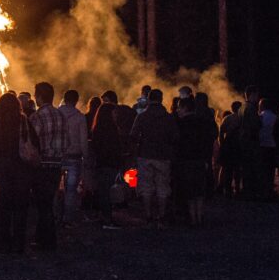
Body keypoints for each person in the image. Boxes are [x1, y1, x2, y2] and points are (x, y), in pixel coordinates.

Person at [0, 93, 33, 253]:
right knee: (20, 206)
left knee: (4, 204)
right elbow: (34, 144)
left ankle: (3, 242)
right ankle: (19, 242)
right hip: (21, 169)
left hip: (2, 168)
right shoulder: (24, 123)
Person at [130, 89, 179, 228]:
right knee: (162, 187)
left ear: (149, 99)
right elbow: (175, 137)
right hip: (163, 156)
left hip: (145, 155)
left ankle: (148, 216)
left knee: (146, 187)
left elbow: (133, 135)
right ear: (162, 99)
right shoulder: (168, 118)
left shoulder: (142, 116)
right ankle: (161, 217)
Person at [29, 82, 67, 250]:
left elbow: (32, 142)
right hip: (56, 164)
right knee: (48, 201)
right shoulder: (61, 116)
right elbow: (67, 142)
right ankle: (43, 237)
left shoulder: (37, 117)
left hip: (41, 166)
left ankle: (47, 241)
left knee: (42, 204)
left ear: (39, 96)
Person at [174, 98, 216, 226]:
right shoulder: (203, 123)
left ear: (185, 108)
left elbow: (176, 142)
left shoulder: (180, 124)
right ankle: (199, 216)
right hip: (200, 160)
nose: (177, 110)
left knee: (189, 191)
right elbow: (208, 141)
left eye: (179, 108)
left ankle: (193, 218)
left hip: (185, 160)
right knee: (199, 190)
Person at [91, 91, 124, 229]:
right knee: (107, 192)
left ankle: (103, 217)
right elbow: (116, 149)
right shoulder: (112, 131)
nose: (116, 115)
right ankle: (107, 220)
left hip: (100, 163)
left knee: (103, 191)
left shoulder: (97, 129)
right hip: (110, 163)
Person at [57, 90, 87, 227]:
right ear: (76, 100)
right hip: (74, 156)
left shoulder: (56, 114)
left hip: (57, 155)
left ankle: (54, 215)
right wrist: (85, 156)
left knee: (55, 187)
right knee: (70, 189)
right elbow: (83, 140)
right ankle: (67, 219)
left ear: (64, 99)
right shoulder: (80, 117)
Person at [237, 85, 262, 199]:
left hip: (243, 141)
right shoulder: (251, 108)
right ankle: (252, 191)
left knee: (245, 168)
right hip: (251, 142)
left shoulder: (241, 107)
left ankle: (246, 189)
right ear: (252, 94)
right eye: (256, 95)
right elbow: (256, 125)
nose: (257, 97)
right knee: (252, 167)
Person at [217, 101, 243, 196]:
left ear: (232, 108)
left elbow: (220, 132)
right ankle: (237, 189)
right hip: (239, 146)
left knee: (228, 169)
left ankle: (227, 190)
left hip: (228, 146)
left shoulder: (227, 118)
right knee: (237, 169)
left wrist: (222, 144)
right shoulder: (242, 119)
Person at [258, 99, 278, 199]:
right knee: (270, 170)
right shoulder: (275, 117)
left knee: (262, 169)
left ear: (262, 106)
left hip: (261, 146)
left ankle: (262, 190)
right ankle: (270, 189)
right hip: (272, 146)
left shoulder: (260, 117)